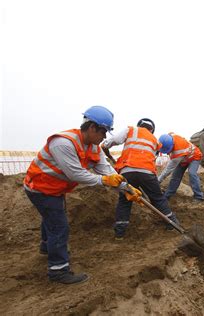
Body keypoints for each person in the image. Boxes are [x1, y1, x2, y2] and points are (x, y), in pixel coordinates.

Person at [24, 105, 141, 285]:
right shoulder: (63, 143)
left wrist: (127, 189)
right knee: (59, 225)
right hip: (39, 188)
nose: (104, 137)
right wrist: (103, 181)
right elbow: (75, 174)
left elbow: (108, 171)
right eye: (103, 132)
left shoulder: (93, 147)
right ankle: (58, 270)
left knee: (52, 218)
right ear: (92, 128)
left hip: (55, 189)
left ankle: (46, 247)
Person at [101, 118, 180, 239]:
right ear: (152, 130)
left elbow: (108, 143)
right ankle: (172, 224)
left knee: (125, 200)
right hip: (147, 173)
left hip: (128, 171)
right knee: (158, 198)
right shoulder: (154, 140)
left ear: (139, 125)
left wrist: (106, 150)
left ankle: (120, 233)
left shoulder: (131, 130)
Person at [156, 133, 204, 202]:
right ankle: (167, 195)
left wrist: (158, 181)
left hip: (194, 157)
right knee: (175, 177)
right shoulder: (169, 137)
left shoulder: (178, 152)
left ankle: (199, 196)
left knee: (192, 173)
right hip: (184, 158)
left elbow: (168, 170)